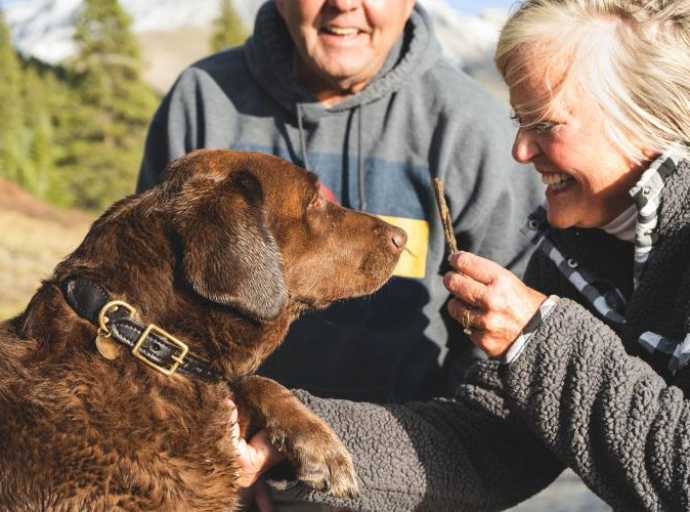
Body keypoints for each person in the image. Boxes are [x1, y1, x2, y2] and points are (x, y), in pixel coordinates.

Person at [234, 0, 690, 510]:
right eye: (520, 121)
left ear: (647, 117)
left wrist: (536, 341)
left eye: (546, 123)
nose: (520, 151)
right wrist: (291, 435)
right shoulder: (572, 254)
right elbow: (489, 447)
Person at [138, 0, 541, 406]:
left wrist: (438, 451)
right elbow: (148, 300)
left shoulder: (473, 128)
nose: (344, 4)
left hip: (409, 450)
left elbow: (507, 346)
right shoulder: (203, 102)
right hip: (223, 447)